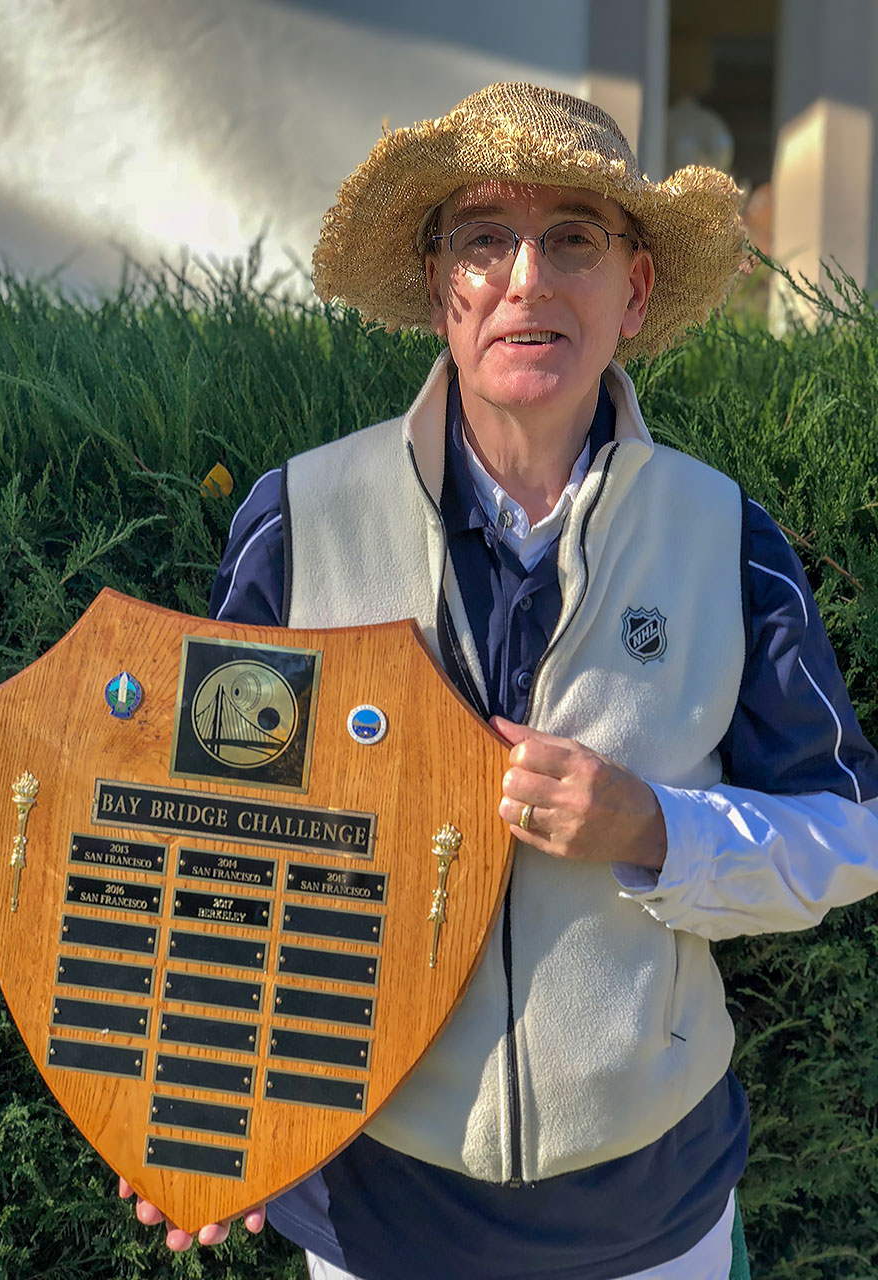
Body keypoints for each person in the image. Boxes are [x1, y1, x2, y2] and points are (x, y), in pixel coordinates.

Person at [122, 82, 878, 1280]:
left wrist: (657, 827)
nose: (526, 278)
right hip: (376, 1224)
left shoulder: (724, 534)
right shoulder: (302, 520)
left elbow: (848, 833)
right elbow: (222, 847)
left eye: (572, 237)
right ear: (440, 288)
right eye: (484, 240)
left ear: (632, 289)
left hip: (654, 1222)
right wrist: (195, 1092)